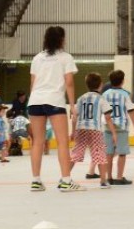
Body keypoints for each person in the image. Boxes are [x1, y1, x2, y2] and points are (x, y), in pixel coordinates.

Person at [27, 26, 79, 192]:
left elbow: (32, 83)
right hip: (54, 100)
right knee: (62, 142)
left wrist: (33, 99)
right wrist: (72, 105)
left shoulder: (37, 58)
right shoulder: (65, 57)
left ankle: (36, 181)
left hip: (35, 100)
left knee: (37, 142)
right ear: (61, 40)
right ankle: (66, 180)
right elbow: (69, 82)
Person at [69, 72, 117, 187]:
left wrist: (73, 131)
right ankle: (103, 181)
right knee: (100, 154)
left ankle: (65, 177)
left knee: (76, 153)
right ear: (100, 85)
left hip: (81, 129)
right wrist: (114, 133)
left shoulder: (81, 98)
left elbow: (74, 116)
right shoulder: (101, 99)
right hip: (95, 129)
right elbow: (108, 117)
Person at [102, 69, 134, 185]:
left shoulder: (105, 94)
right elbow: (131, 111)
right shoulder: (125, 94)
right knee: (122, 153)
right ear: (122, 81)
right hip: (121, 126)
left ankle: (109, 177)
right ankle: (119, 177)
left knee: (108, 153)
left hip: (108, 126)